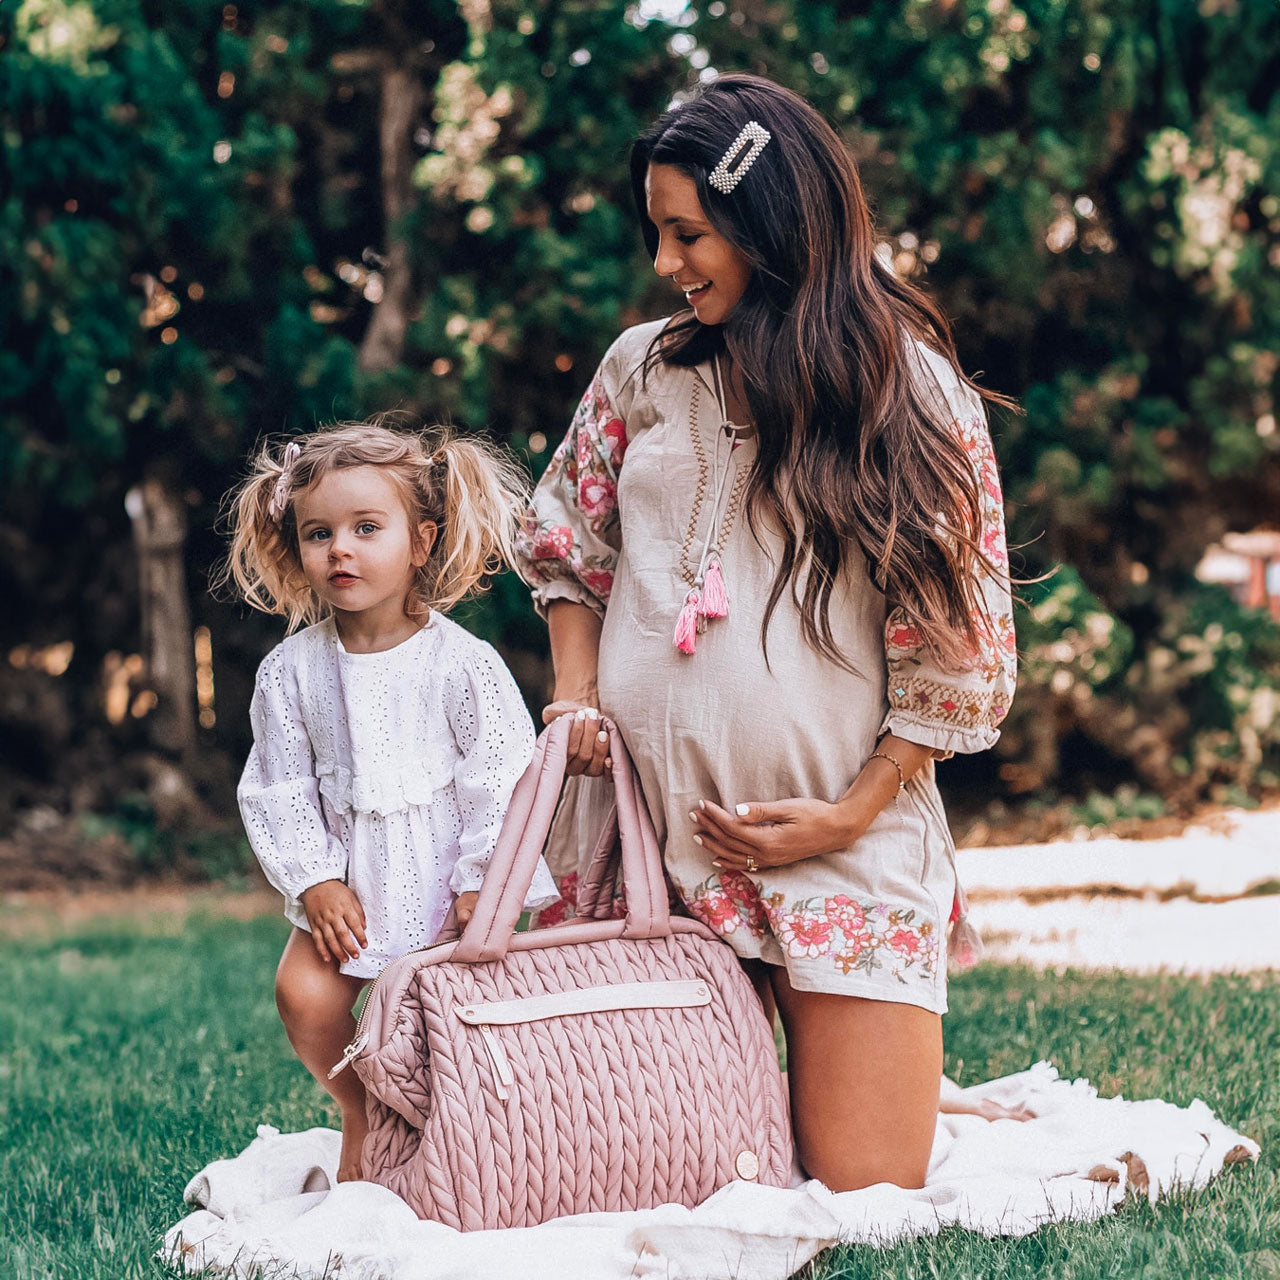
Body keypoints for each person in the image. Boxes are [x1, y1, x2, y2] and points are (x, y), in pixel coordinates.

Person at [515, 75, 1019, 1192]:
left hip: (838, 842)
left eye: (686, 234)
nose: (663, 264)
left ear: (770, 222)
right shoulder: (639, 369)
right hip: (641, 855)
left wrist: (844, 810)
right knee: (650, 1180)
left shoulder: (907, 389)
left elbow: (956, 645)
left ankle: (875, 1067)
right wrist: (575, 690)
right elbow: (563, 540)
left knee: (863, 1188)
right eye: (655, 233)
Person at [223, 420, 558, 1181]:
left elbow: (501, 778)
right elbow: (277, 786)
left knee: (447, 1032)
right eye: (319, 533)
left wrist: (483, 880)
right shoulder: (291, 673)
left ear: (420, 540)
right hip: (351, 884)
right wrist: (313, 880)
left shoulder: (462, 664)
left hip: (448, 886)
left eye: (365, 528)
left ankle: (456, 1149)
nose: (340, 548)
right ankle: (363, 1107)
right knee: (303, 993)